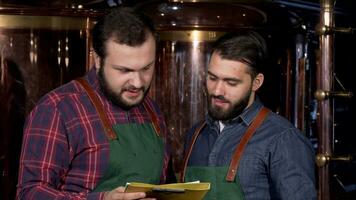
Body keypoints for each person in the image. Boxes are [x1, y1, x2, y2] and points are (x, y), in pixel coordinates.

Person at [17, 7, 170, 200]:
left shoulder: (152, 110)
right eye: (124, 70)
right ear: (97, 59)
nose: (138, 82)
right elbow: (29, 193)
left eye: (146, 68)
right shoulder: (58, 110)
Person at [181, 31, 316, 199]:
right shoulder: (195, 135)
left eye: (231, 83)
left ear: (256, 82)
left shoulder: (283, 140)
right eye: (212, 78)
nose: (217, 91)